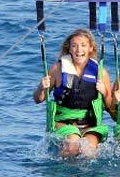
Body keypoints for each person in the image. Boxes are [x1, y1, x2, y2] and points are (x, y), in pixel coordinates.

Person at [33, 28, 112, 158]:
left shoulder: (100, 72)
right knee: (72, 144)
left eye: (83, 45)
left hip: (89, 125)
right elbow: (38, 99)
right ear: (69, 49)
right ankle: (66, 170)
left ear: (91, 48)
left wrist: (105, 93)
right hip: (63, 122)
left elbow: (110, 107)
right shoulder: (57, 69)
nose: (78, 50)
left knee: (89, 150)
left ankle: (86, 171)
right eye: (74, 46)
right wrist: (41, 87)